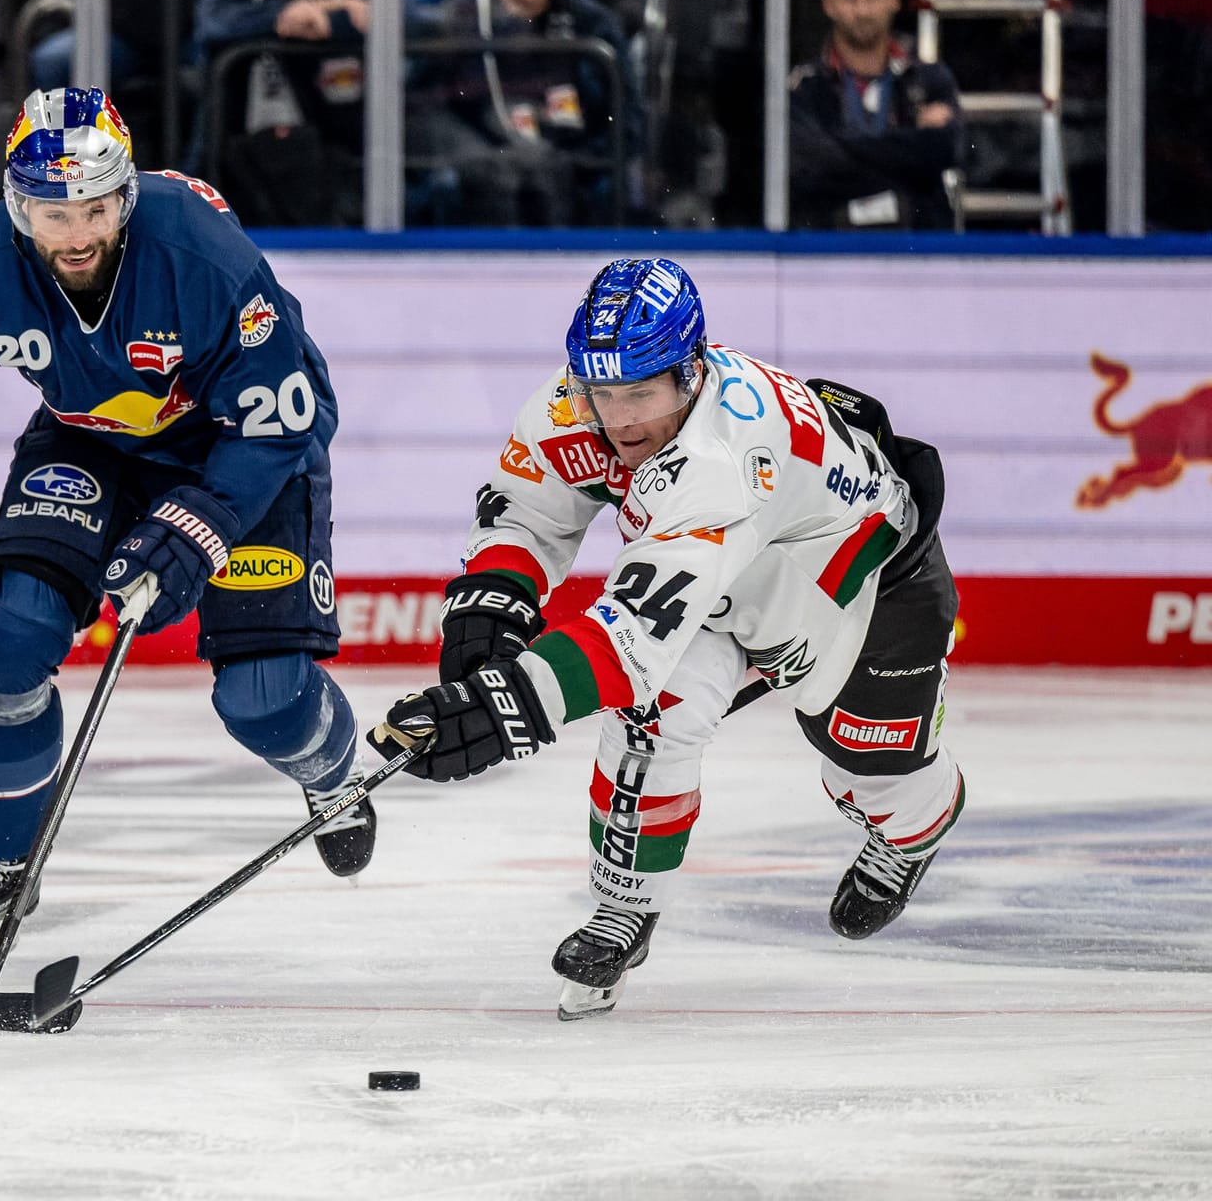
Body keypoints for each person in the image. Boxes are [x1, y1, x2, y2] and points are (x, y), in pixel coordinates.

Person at [0, 86, 372, 959]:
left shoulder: (201, 253)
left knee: (264, 702)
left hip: (242, 449)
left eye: (95, 206)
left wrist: (201, 517)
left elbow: (288, 410)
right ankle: (1, 863)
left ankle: (334, 774)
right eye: (53, 212)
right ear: (17, 205)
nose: (78, 232)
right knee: (10, 630)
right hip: (92, 441)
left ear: (125, 194)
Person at [369, 257, 966, 1019]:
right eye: (600, 391)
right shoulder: (575, 404)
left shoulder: (722, 459)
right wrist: (491, 610)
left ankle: (920, 824)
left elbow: (626, 639)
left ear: (690, 375)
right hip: (722, 586)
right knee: (656, 715)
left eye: (640, 393)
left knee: (866, 771)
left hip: (866, 580)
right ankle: (626, 908)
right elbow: (527, 510)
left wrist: (500, 710)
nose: (617, 418)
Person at [415, 0, 644, 227]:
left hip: (570, 179)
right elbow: (424, 112)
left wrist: (577, 161)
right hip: (483, 184)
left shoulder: (594, 25)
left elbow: (629, 119)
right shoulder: (454, 20)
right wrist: (481, 157)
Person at [188, 0, 377, 225]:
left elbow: (414, 17)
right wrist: (278, 15)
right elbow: (212, 22)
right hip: (239, 161)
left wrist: (329, 11)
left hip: (347, 153)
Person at [789, 0, 963, 230]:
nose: (863, 10)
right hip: (829, 254)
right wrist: (909, 153)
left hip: (918, 252)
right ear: (828, 3)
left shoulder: (928, 78)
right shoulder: (804, 86)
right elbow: (812, 169)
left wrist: (844, 148)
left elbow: (945, 151)